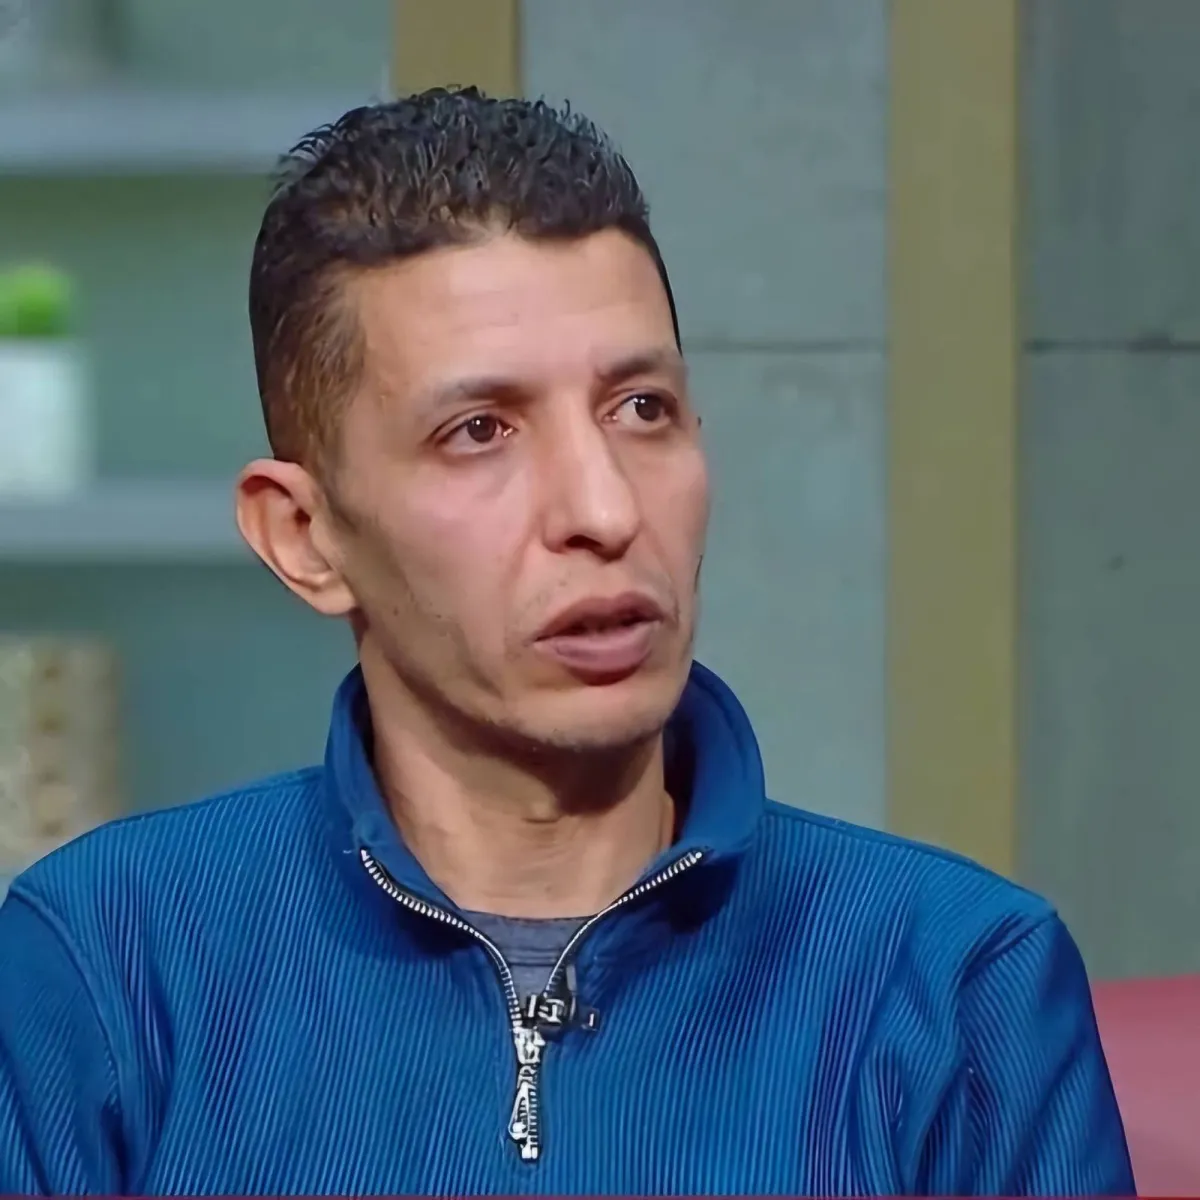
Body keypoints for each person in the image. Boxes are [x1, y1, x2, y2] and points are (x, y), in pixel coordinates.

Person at [0, 88, 1133, 1197]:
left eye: (642, 409)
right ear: (306, 538)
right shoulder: (107, 966)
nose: (604, 509)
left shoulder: (956, 981)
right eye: (479, 431)